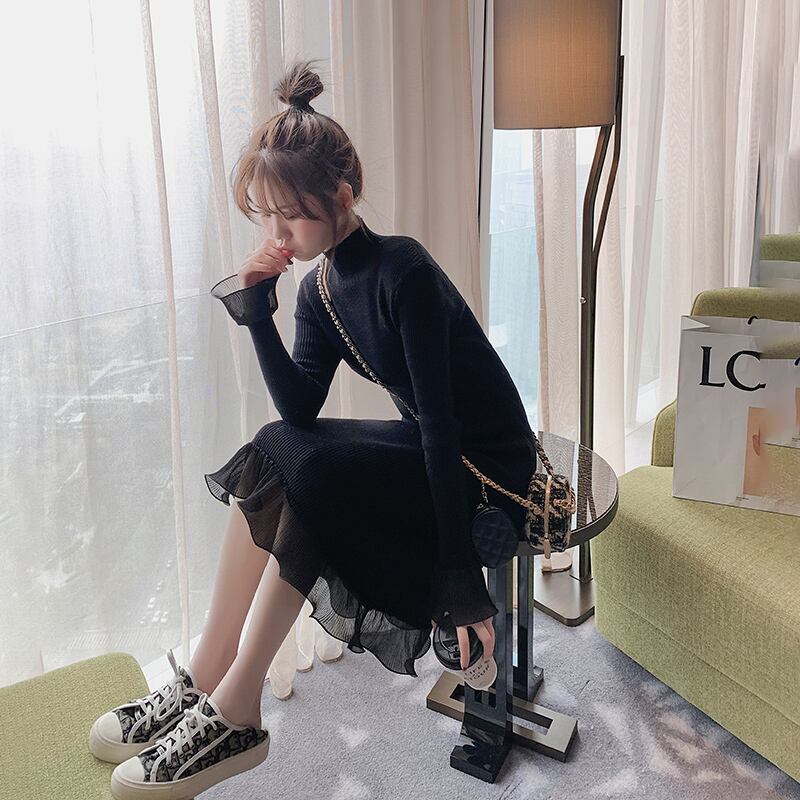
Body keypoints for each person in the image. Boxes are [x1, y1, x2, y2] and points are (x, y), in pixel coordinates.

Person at [88, 58, 540, 799]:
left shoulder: (403, 270)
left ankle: (238, 707)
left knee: (319, 478)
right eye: (266, 216)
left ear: (344, 195)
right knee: (275, 447)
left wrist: (459, 577)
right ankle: (210, 672)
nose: (279, 233)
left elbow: (441, 423)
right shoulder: (320, 288)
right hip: (432, 445)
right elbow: (298, 409)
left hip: (485, 465)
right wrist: (257, 307)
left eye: (292, 215)